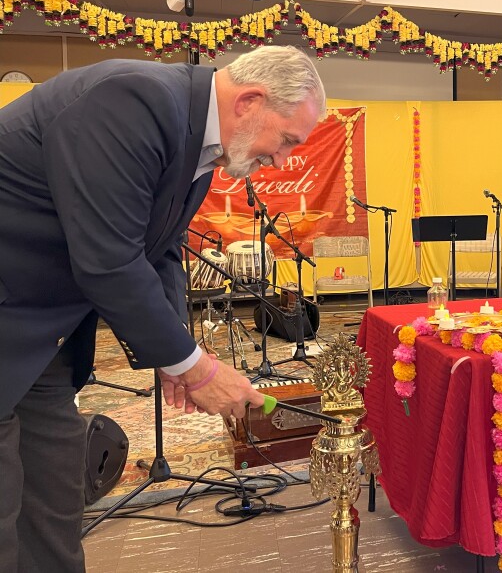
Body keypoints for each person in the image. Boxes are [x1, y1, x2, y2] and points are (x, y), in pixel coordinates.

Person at [0, 45, 326, 572]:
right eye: (286, 141)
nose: (282, 161)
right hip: (12, 316)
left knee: (53, 505)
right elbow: (109, 261)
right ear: (250, 100)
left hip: (42, 338)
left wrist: (175, 353)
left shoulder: (200, 145)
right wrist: (197, 370)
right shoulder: (133, 100)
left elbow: (161, 253)